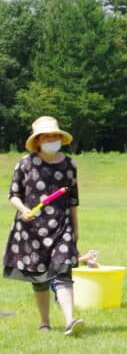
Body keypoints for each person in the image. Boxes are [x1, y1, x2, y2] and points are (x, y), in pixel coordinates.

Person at [3, 116, 84, 336]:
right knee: (39, 278)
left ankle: (70, 321)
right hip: (32, 229)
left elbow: (73, 201)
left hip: (62, 226)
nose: (51, 139)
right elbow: (13, 194)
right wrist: (23, 210)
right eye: (46, 136)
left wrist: (75, 231)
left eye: (54, 135)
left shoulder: (69, 165)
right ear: (38, 140)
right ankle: (44, 322)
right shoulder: (25, 164)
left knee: (63, 270)